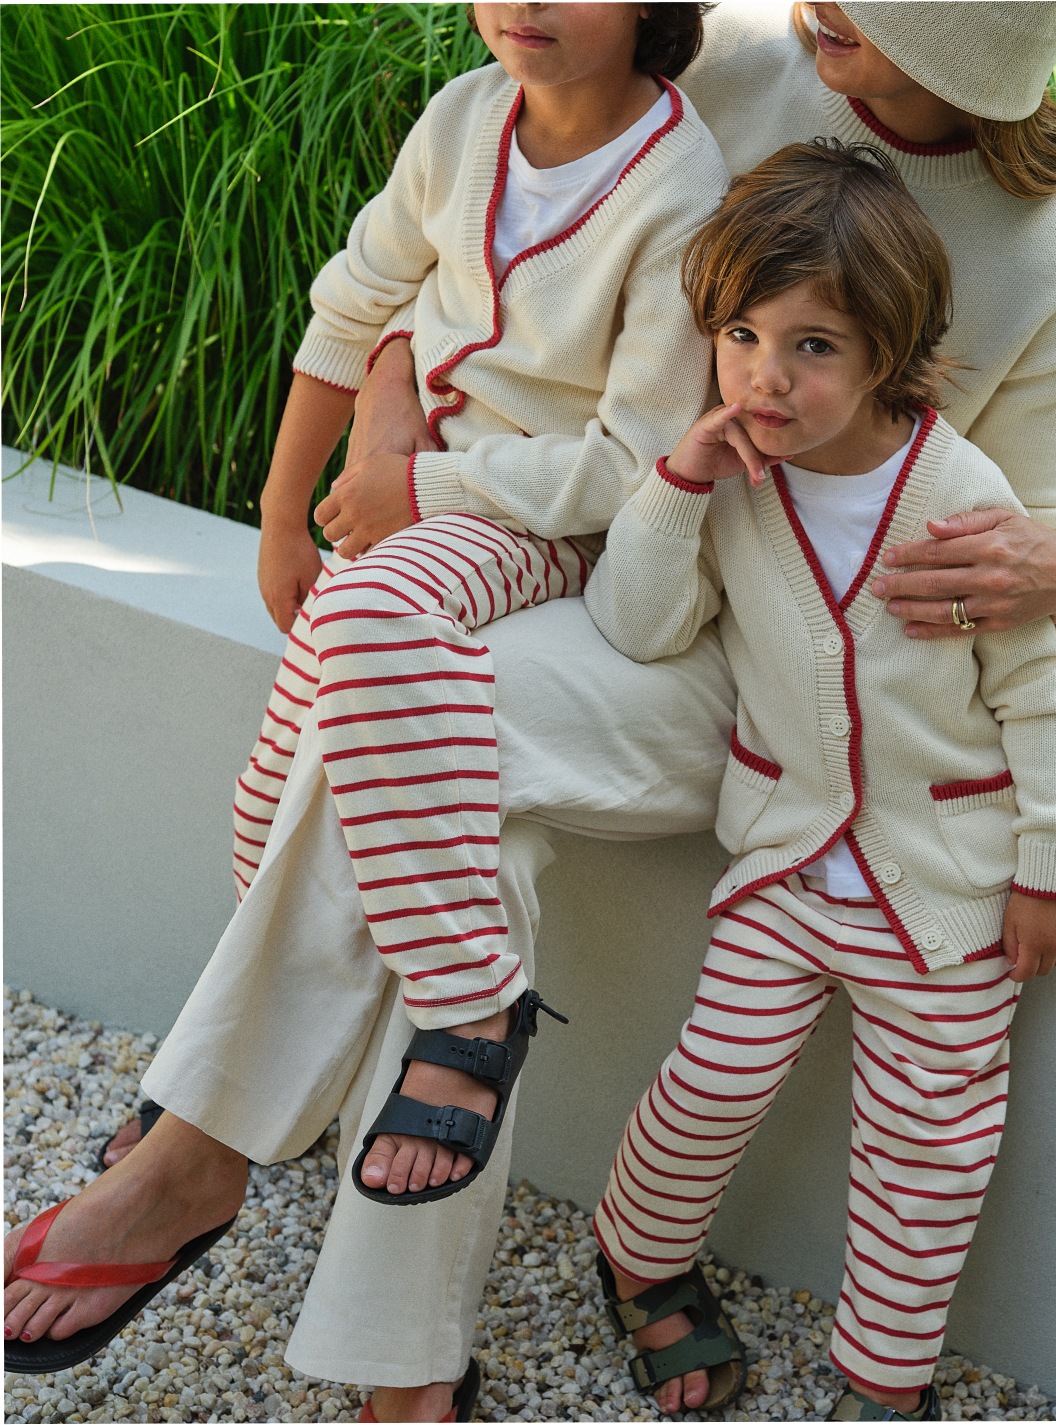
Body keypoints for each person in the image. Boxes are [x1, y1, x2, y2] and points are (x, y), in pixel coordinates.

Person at [5, 2, 1056, 1420]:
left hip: (764, 683)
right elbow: (465, 229)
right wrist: (392, 409)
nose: (817, 3)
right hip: (620, 575)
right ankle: (403, 1361)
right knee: (415, 739)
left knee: (401, 732)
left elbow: (1027, 544)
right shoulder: (735, 59)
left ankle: (201, 1143)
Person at [3, 1, 724, 1415]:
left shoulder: (682, 190)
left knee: (371, 613)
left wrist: (419, 491)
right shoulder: (464, 118)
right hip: (412, 509)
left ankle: (449, 1024)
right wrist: (287, 509)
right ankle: (336, 1269)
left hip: (534, 526)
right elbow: (358, 302)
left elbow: (630, 457)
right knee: (283, 798)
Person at [584, 140, 1056, 1423]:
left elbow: (1037, 692)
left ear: (887, 353)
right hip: (784, 861)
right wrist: (676, 484)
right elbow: (640, 625)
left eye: (813, 346)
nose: (766, 376)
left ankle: (884, 1380)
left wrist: (1050, 866)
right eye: (742, 334)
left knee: (933, 1142)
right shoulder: (733, 481)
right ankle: (637, 1254)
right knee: (712, 1079)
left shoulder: (960, 495)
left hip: (948, 885)